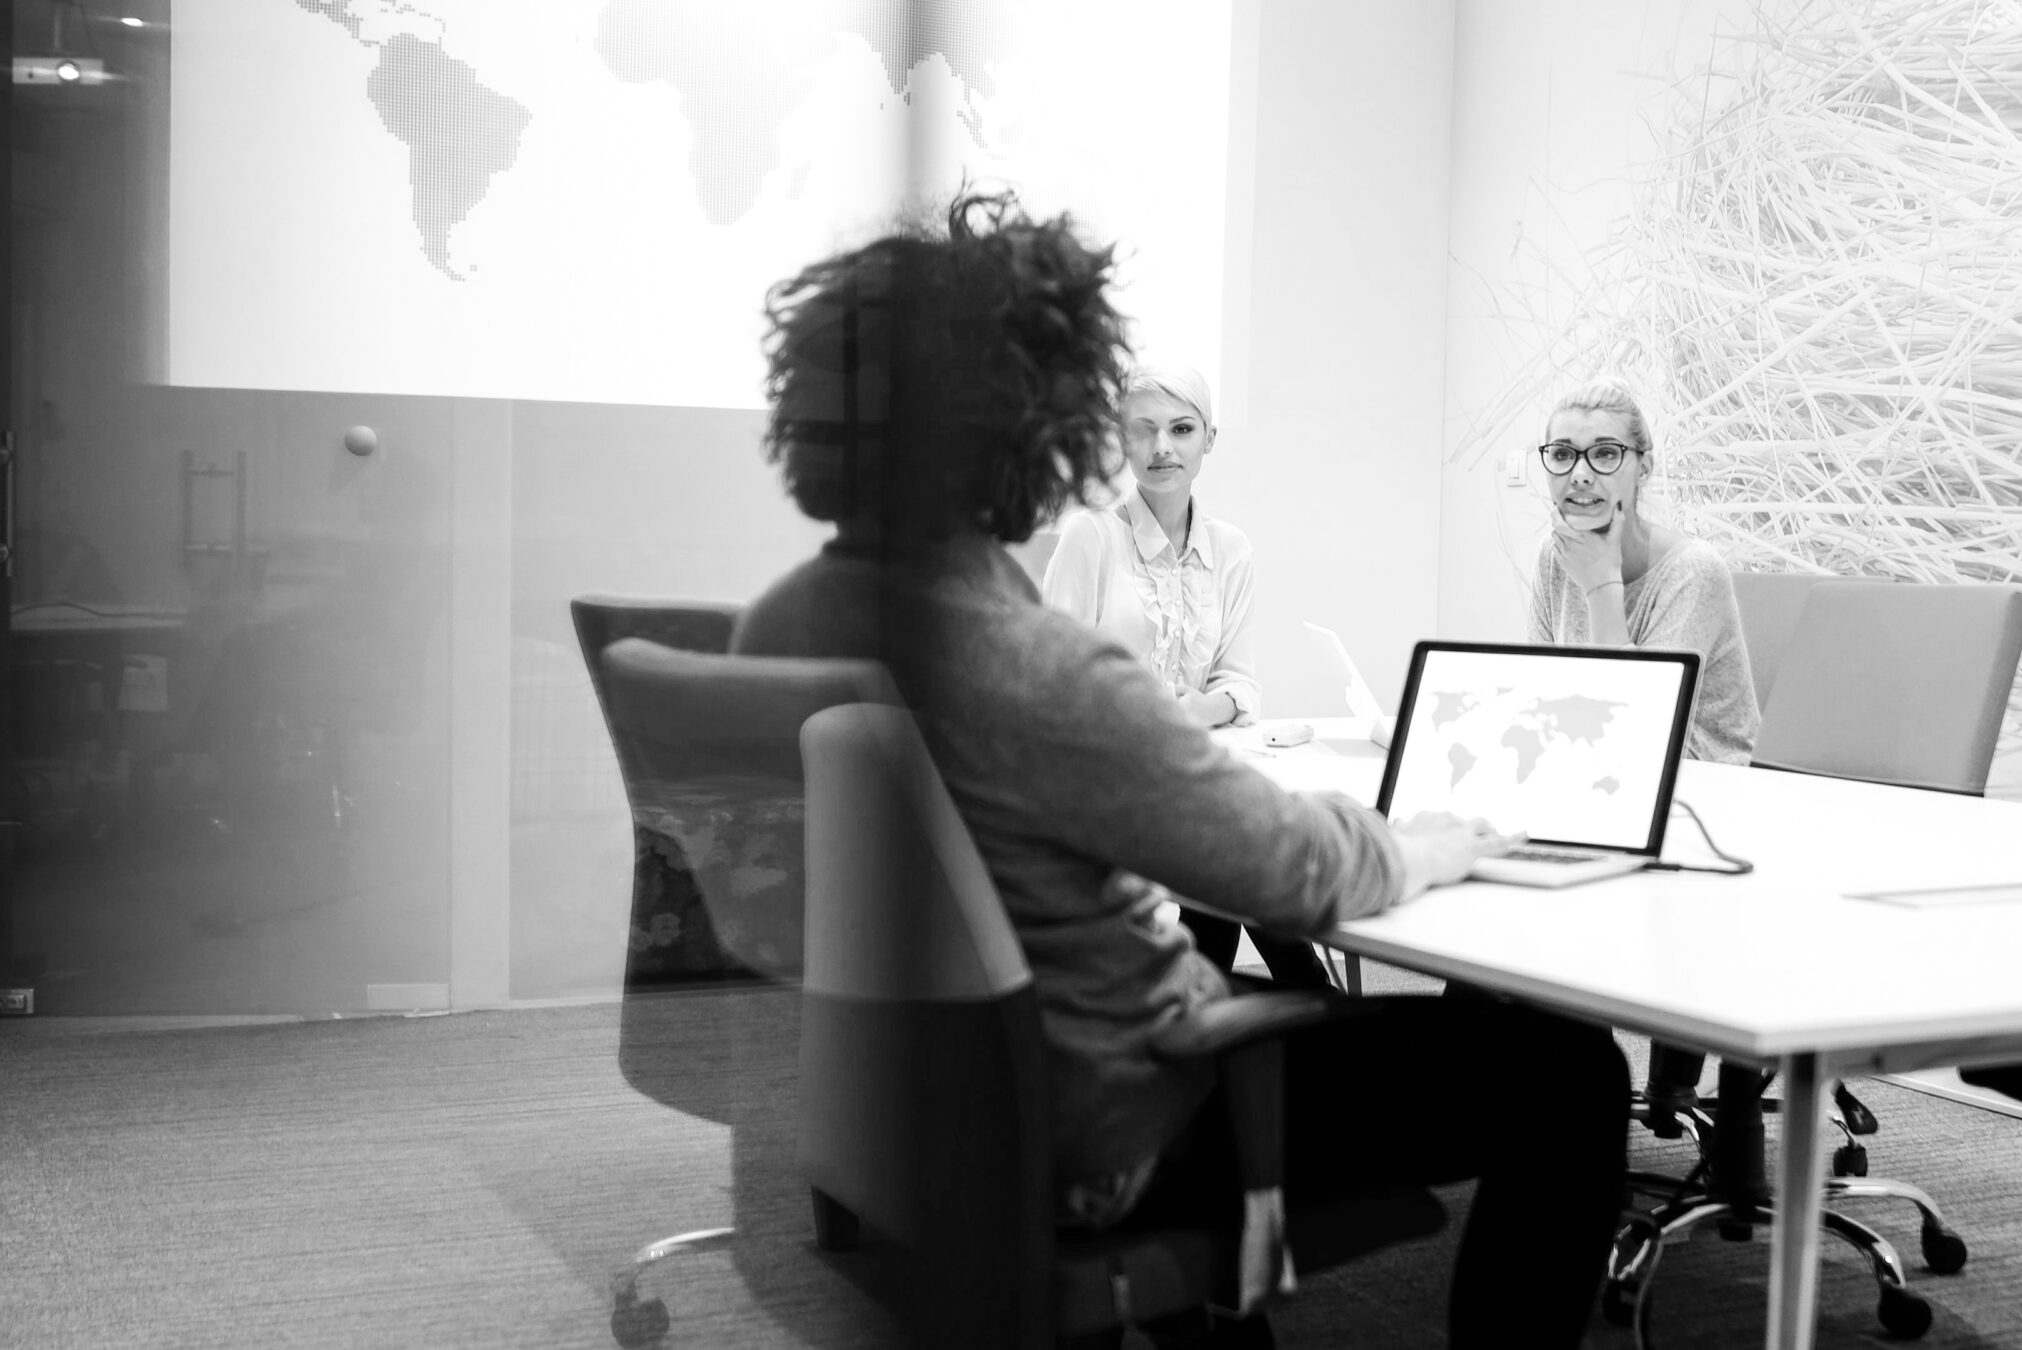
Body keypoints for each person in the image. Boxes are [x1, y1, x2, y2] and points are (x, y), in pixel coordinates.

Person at [732, 190, 1627, 1347]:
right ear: (1039, 431)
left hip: (927, 1106)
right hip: (1120, 1110)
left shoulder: (784, 622)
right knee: (1569, 1072)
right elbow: (1293, 871)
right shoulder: (1031, 668)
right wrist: (1423, 841)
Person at [1041, 364, 1338, 991]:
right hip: (1107, 780)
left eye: (1180, 429)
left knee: (1240, 862)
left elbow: (1241, 686)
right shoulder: (1089, 538)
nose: (1161, 448)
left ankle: (1229, 1009)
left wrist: (1196, 712)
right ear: (1121, 438)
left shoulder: (1231, 549)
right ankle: (1310, 1007)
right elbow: (1051, 689)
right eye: (1142, 430)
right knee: (1243, 861)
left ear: (1209, 439)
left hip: (1193, 778)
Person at [1531, 379, 1759, 1127]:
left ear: (1642, 465)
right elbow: (1543, 690)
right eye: (1562, 454)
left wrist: (1600, 585)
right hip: (1597, 788)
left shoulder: (1692, 570)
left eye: (1604, 453)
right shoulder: (1550, 557)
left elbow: (1637, 728)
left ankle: (1569, 1104)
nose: (1581, 474)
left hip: (1695, 801)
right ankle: (1503, 1092)